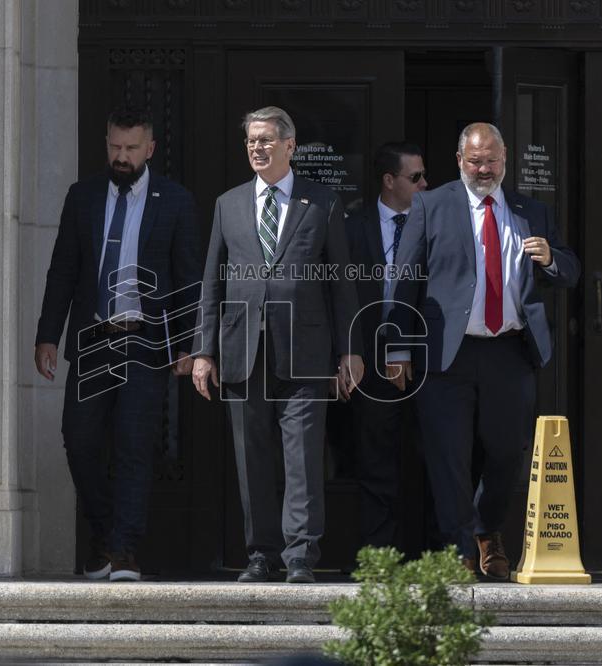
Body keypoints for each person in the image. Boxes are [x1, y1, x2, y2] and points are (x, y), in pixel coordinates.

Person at [385, 122, 580, 580]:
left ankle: (486, 530)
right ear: (459, 161)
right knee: (448, 457)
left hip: (509, 353)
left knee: (507, 454)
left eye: (492, 160)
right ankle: (459, 550)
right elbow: (405, 278)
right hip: (447, 354)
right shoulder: (432, 205)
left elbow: (570, 270)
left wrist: (551, 258)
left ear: (504, 157)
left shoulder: (531, 211)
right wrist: (397, 348)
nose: (484, 169)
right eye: (475, 161)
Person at [191, 106, 364, 584]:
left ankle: (301, 556)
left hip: (306, 350)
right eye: (251, 141)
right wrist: (204, 350)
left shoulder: (322, 202)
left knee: (303, 456)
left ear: (290, 145)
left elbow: (341, 281)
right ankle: (261, 554)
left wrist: (350, 349)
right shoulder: (228, 204)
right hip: (242, 349)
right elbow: (212, 281)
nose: (257, 148)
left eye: (266, 140)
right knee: (252, 458)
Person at [33, 106, 201, 581]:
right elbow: (63, 269)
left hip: (144, 341)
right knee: (79, 439)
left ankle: (124, 549)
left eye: (131, 148)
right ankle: (105, 533)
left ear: (150, 149)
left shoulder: (175, 201)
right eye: (114, 147)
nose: (121, 156)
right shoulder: (82, 196)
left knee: (133, 446)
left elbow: (188, 277)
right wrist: (48, 335)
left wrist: (187, 343)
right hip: (92, 340)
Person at [344, 142, 427, 548]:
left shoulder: (434, 223)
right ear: (389, 181)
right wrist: (345, 352)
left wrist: (405, 348)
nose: (425, 184)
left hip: (426, 355)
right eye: (416, 177)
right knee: (375, 457)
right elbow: (340, 294)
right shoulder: (351, 225)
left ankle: (430, 549)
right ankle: (380, 554)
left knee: (429, 455)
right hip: (369, 356)